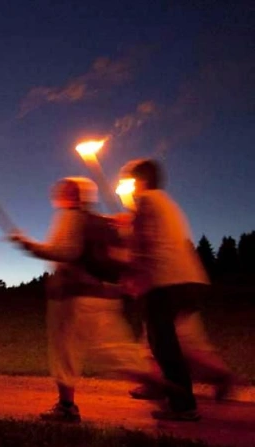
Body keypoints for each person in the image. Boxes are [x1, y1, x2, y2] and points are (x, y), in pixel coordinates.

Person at [10, 177, 168, 423]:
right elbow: (124, 254)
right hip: (104, 295)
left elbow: (67, 252)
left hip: (72, 296)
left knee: (65, 352)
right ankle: (156, 383)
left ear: (75, 195)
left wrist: (28, 245)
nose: (57, 190)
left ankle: (66, 407)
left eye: (64, 188)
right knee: (114, 350)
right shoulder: (103, 222)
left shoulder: (71, 216)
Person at [122, 159, 235, 421]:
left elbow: (144, 245)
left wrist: (135, 274)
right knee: (176, 341)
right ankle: (185, 385)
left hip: (166, 281)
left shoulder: (147, 202)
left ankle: (183, 405)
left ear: (141, 181)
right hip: (188, 279)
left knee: (163, 345)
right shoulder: (166, 203)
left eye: (131, 180)